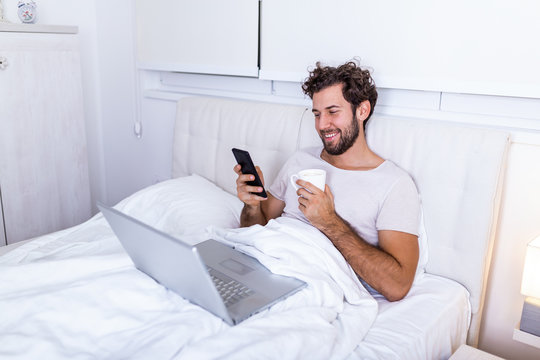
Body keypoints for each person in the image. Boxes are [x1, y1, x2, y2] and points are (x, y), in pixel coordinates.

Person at [233, 61, 420, 302]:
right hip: (261, 264)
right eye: (317, 114)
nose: (322, 125)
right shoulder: (300, 160)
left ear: (362, 111)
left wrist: (329, 222)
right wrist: (251, 206)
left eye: (333, 112)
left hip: (307, 283)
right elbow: (255, 232)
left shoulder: (394, 184)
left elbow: (397, 286)